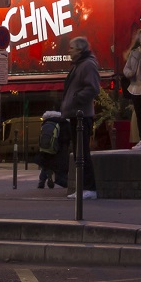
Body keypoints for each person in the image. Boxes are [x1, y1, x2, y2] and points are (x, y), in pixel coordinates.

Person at [48, 35, 99, 198]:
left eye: (71, 48)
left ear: (79, 50)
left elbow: (93, 88)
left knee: (82, 153)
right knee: (78, 154)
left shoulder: (87, 65)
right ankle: (82, 188)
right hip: (76, 114)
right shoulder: (79, 65)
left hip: (82, 115)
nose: (68, 51)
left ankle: (89, 188)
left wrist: (76, 99)